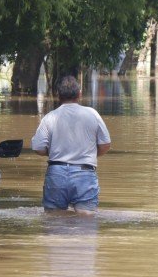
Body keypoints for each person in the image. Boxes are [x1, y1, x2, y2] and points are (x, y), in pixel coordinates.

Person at [31, 75, 111, 215]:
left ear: (58, 95)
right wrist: (88, 154)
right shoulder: (92, 114)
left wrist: (54, 151)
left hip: (56, 173)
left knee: (53, 222)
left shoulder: (50, 117)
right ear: (79, 94)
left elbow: (38, 148)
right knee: (86, 224)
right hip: (85, 173)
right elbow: (105, 145)